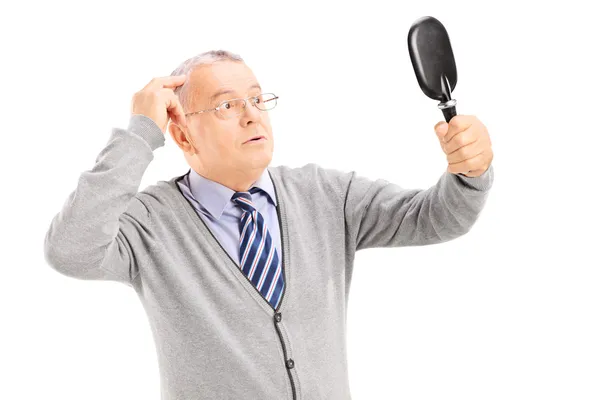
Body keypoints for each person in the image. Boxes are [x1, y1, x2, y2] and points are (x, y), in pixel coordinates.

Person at [43, 49, 494, 399]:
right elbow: (70, 250)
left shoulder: (327, 195)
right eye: (226, 106)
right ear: (181, 134)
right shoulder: (151, 223)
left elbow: (437, 218)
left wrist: (470, 172)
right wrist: (140, 134)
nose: (252, 114)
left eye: (257, 99)